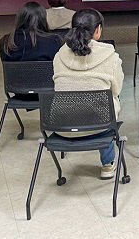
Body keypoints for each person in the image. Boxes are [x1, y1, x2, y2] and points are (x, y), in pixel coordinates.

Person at [52, 9, 124, 179]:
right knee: (108, 106)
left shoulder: (58, 56)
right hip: (99, 127)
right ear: (98, 30)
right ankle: (107, 165)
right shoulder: (111, 56)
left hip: (62, 126)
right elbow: (117, 90)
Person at [0, 1, 63, 101]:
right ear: (43, 18)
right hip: (49, 91)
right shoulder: (53, 40)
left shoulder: (6, 41)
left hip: (19, 91)